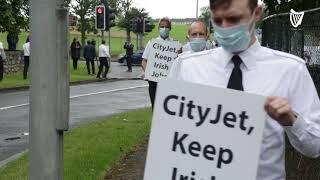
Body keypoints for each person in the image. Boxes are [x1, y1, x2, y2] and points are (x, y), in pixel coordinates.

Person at [168, 0, 320, 180]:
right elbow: (169, 138)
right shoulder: (188, 68)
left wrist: (291, 120)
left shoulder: (291, 70)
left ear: (256, 13)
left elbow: (315, 147)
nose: (224, 28)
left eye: (233, 19)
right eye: (217, 20)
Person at [142, 17, 176, 110]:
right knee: (155, 108)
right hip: (154, 82)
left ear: (170, 28)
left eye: (166, 27)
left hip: (168, 82)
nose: (164, 29)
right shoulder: (151, 43)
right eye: (162, 26)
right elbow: (144, 61)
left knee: (168, 108)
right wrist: (147, 73)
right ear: (158, 28)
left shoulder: (175, 44)